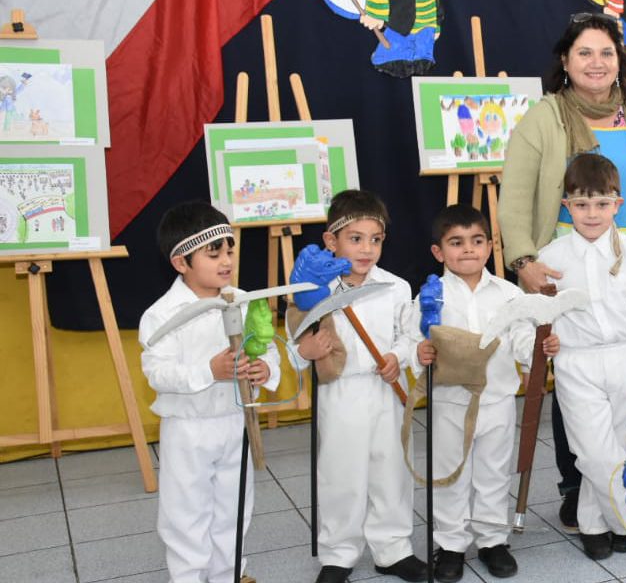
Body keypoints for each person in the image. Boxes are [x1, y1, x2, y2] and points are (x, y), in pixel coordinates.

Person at [498, 12, 626, 533]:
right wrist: (525, 262)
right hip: (565, 262)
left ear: (618, 60)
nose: (596, 63)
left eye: (605, 52)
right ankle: (577, 484)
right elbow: (513, 197)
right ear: (565, 60)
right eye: (584, 53)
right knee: (576, 377)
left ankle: (624, 481)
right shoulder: (544, 118)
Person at [412, 205, 559, 581]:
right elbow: (415, 341)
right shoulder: (431, 295)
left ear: (491, 245)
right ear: (438, 252)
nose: (468, 250)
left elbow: (524, 340)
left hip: (497, 401)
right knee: (451, 473)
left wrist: (541, 348)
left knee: (493, 473)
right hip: (450, 402)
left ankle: (493, 540)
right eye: (456, 243)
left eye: (477, 241)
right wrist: (420, 352)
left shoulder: (509, 293)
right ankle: (451, 545)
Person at [535, 153, 626, 560]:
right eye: (581, 204)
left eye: (601, 203)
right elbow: (540, 316)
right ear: (566, 206)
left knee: (622, 447)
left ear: (618, 204)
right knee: (591, 451)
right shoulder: (551, 257)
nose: (591, 214)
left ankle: (595, 525)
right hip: (576, 362)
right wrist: (547, 339)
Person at [139, 201, 280, 583]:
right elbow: (157, 371)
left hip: (236, 419)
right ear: (181, 263)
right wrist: (209, 371)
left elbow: (265, 346)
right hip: (188, 427)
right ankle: (187, 576)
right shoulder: (161, 313)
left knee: (235, 504)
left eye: (230, 249)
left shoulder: (243, 299)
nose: (226, 260)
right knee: (186, 511)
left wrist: (265, 368)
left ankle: (230, 572)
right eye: (213, 252)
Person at [293, 190, 426, 583]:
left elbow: (411, 335)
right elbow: (293, 346)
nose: (367, 249)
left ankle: (393, 549)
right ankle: (339, 553)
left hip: (388, 392)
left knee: (393, 471)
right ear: (331, 242)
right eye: (356, 239)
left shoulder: (396, 286)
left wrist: (397, 358)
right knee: (342, 474)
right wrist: (308, 350)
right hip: (342, 395)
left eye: (376, 239)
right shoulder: (315, 290)